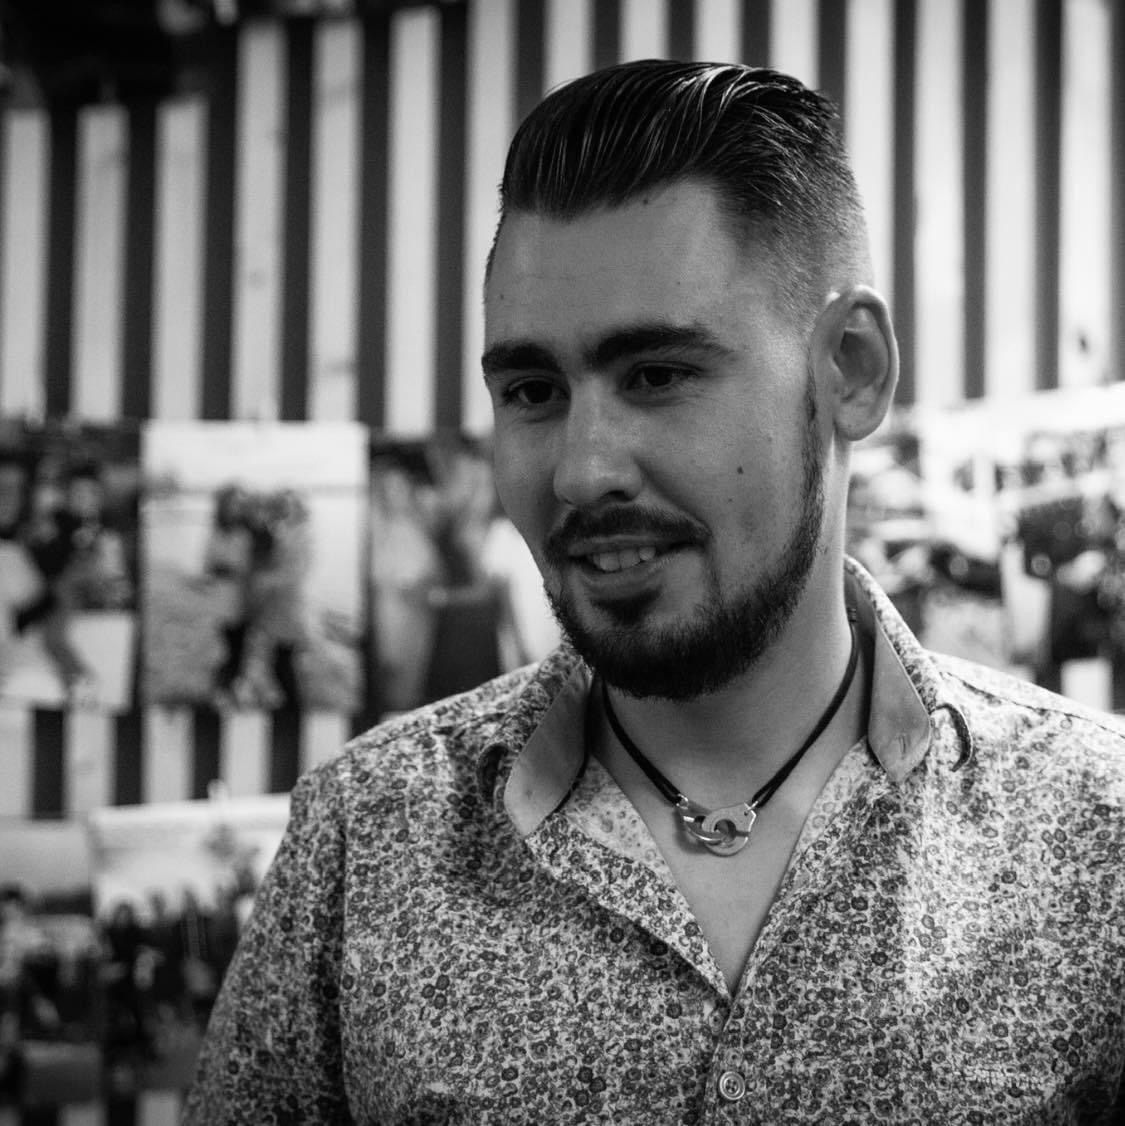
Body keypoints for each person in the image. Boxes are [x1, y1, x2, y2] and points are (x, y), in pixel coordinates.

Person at [183, 60, 1125, 1123]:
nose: (582, 471)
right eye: (532, 390)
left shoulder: (1095, 835)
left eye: (658, 374)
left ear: (851, 369)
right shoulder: (364, 840)